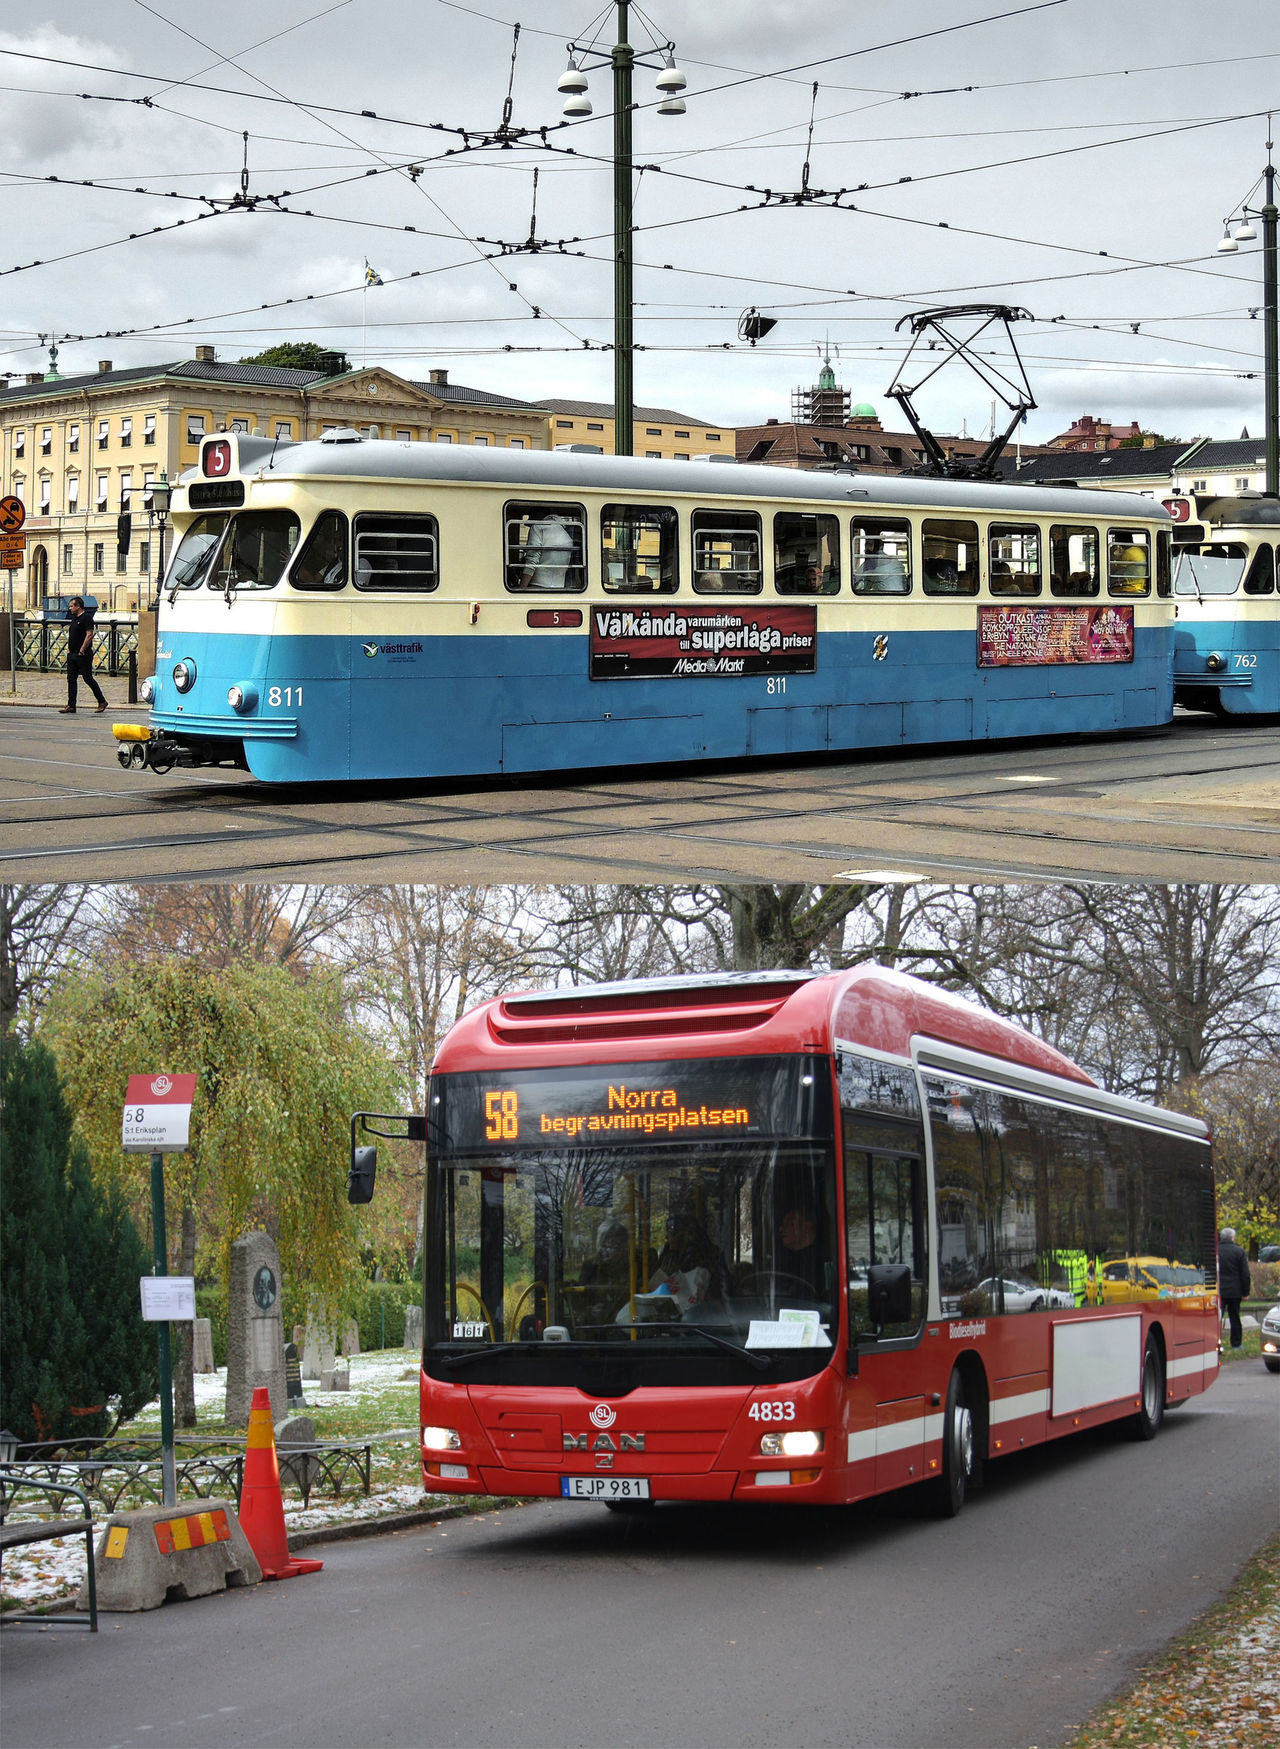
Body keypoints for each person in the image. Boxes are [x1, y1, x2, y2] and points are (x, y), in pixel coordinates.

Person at [60, 596, 108, 714]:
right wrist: (69, 649)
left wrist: (82, 649)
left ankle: (102, 701)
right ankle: (71, 705)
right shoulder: (74, 618)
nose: (70, 608)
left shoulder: (86, 618)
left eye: (71, 606)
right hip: (72, 653)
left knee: (87, 678)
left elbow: (89, 634)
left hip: (83, 654)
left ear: (78, 606)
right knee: (71, 679)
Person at [518, 511, 576, 590]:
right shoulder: (566, 535)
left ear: (539, 515)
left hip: (538, 585)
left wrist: (522, 587)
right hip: (559, 587)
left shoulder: (537, 528)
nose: (530, 520)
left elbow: (532, 561)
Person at [1218, 1227, 1251, 1349]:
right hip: (1235, 1291)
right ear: (1232, 1238)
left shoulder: (1215, 1251)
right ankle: (1236, 1344)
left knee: (1217, 1318)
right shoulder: (1239, 1251)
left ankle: (1217, 1343)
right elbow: (1245, 1274)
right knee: (1235, 1317)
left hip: (1219, 1291)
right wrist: (1245, 1291)